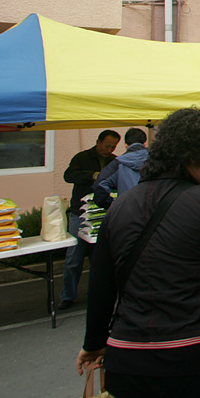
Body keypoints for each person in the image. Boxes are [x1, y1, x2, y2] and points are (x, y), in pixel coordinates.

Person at [75, 106, 200, 398]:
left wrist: (93, 343)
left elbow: (101, 287)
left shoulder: (120, 208)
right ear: (192, 156)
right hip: (199, 358)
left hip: (128, 360)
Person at [59, 130, 121, 310]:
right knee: (74, 259)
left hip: (102, 214)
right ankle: (67, 295)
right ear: (98, 142)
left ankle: (96, 295)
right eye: (107, 146)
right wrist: (92, 175)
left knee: (100, 259)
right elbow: (68, 176)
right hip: (80, 214)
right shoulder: (82, 158)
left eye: (113, 147)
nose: (109, 150)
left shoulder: (114, 161)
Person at [92, 128, 149, 209]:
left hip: (127, 212)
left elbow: (100, 187)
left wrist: (112, 205)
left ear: (125, 144)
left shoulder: (118, 163)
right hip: (155, 214)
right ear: (144, 143)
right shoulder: (160, 161)